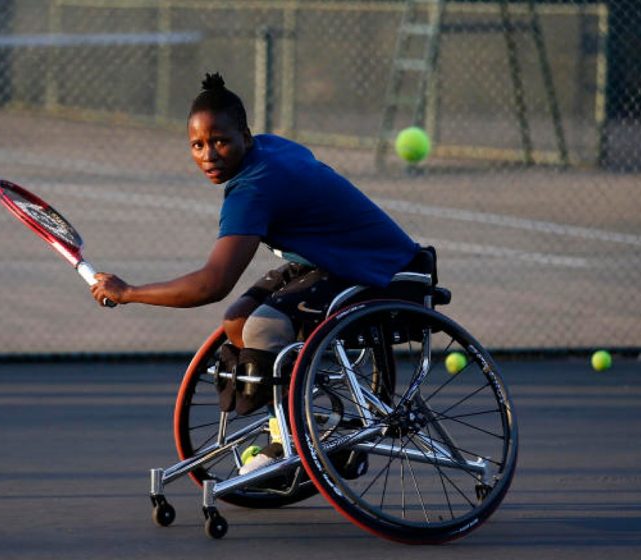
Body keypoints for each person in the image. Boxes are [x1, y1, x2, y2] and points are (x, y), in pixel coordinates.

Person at [91, 73, 432, 473]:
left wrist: (128, 291)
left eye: (220, 141)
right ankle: (291, 425)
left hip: (383, 269)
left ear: (245, 137)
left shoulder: (254, 188)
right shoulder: (268, 148)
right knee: (237, 321)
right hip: (334, 261)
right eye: (197, 145)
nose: (209, 155)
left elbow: (211, 284)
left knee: (262, 329)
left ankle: (305, 440)